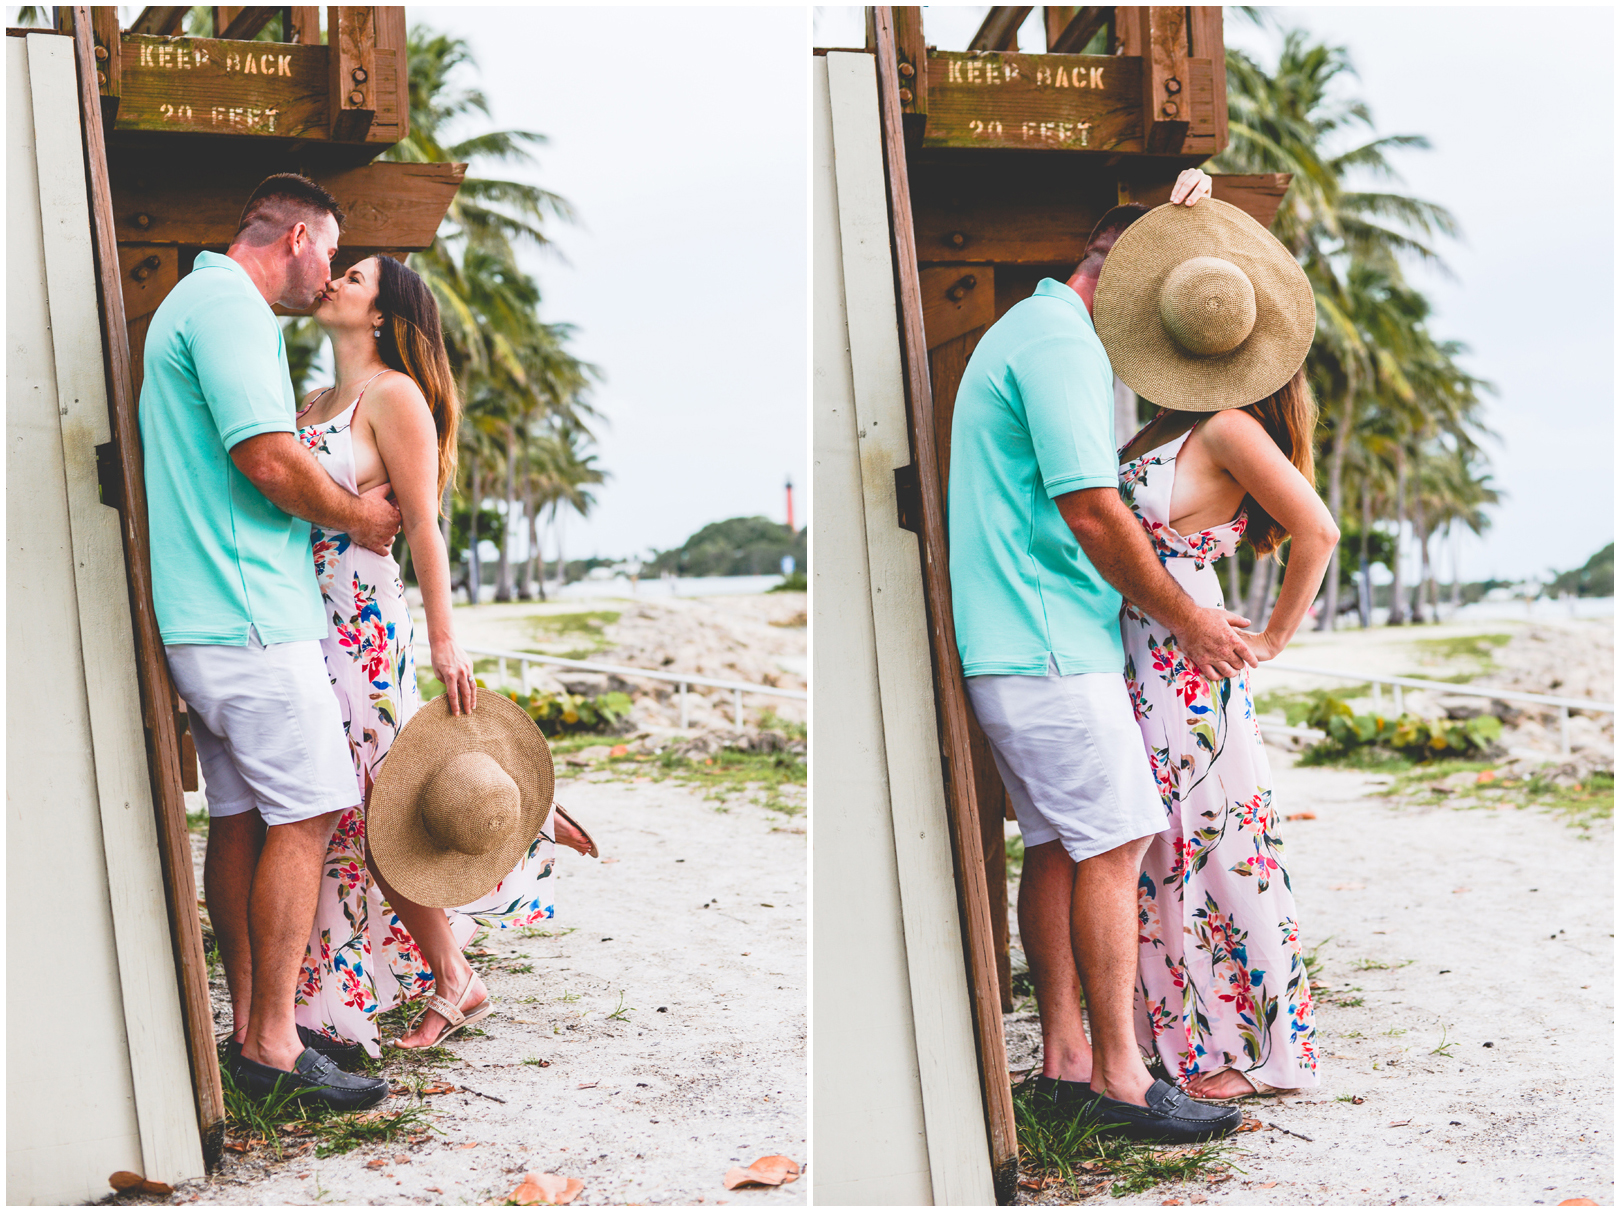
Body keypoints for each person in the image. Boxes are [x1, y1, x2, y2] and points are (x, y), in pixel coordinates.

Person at [949, 168, 1254, 1142]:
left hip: (1021, 644)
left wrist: (1184, 207)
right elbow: (1091, 508)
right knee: (1120, 842)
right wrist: (1191, 619)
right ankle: (1125, 1078)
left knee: (1058, 846)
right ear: (1114, 272)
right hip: (1048, 649)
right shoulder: (1062, 347)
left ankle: (1069, 1064)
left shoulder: (1035, 330)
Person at [293, 252, 596, 1055]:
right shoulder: (314, 399)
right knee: (342, 800)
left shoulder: (394, 396)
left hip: (361, 615)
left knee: (376, 799)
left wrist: (444, 637)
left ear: (383, 315)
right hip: (301, 612)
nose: (334, 281)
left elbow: (423, 523)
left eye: (353, 279)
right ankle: (459, 959)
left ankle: (458, 966)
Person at [141, 174, 400, 1109]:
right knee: (313, 810)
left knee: (246, 816)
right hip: (248, 616)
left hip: (211, 617)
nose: (329, 271)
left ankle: (255, 1030)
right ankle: (278, 1048)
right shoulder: (232, 309)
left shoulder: (194, 303)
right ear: (297, 236)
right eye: (330, 250)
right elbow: (265, 455)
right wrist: (360, 523)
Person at [1096, 199, 1334, 1100]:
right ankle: (1189, 1040)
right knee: (1164, 847)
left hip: (1187, 660)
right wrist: (1187, 198)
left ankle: (1229, 1052)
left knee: (1210, 847)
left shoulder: (1230, 427)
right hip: (1136, 653)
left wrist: (1274, 637)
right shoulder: (1160, 426)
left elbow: (1318, 530)